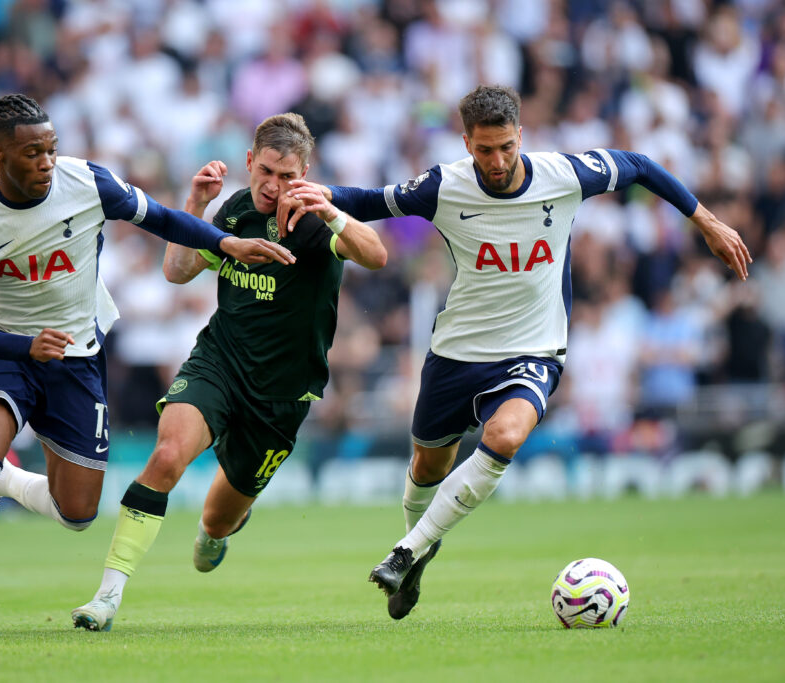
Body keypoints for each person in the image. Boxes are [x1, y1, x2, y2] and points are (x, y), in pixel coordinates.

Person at [279, 84, 752, 620]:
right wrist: (317, 194)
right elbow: (373, 200)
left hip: (534, 348)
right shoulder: (443, 186)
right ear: (466, 143)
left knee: (504, 435)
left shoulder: (565, 175)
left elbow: (640, 165)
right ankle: (419, 549)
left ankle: (405, 551)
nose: (497, 160)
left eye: (506, 146)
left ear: (521, 135)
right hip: (457, 350)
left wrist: (707, 222)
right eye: (484, 150)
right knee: (427, 464)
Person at [0, 94, 294, 635]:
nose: (45, 162)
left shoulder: (88, 183)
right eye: (32, 152)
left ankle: (10, 480)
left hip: (77, 356)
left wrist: (226, 242)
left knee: (77, 514)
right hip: (6, 350)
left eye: (51, 149)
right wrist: (24, 346)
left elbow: (164, 219)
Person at [70, 112, 388, 632]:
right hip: (219, 363)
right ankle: (107, 597)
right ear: (248, 162)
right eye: (265, 172)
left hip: (281, 396)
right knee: (168, 455)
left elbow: (376, 255)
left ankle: (216, 532)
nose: (274, 186)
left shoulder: (314, 220)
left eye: (288, 177)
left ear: (306, 171)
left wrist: (330, 212)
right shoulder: (235, 211)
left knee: (217, 522)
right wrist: (194, 204)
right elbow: (176, 272)